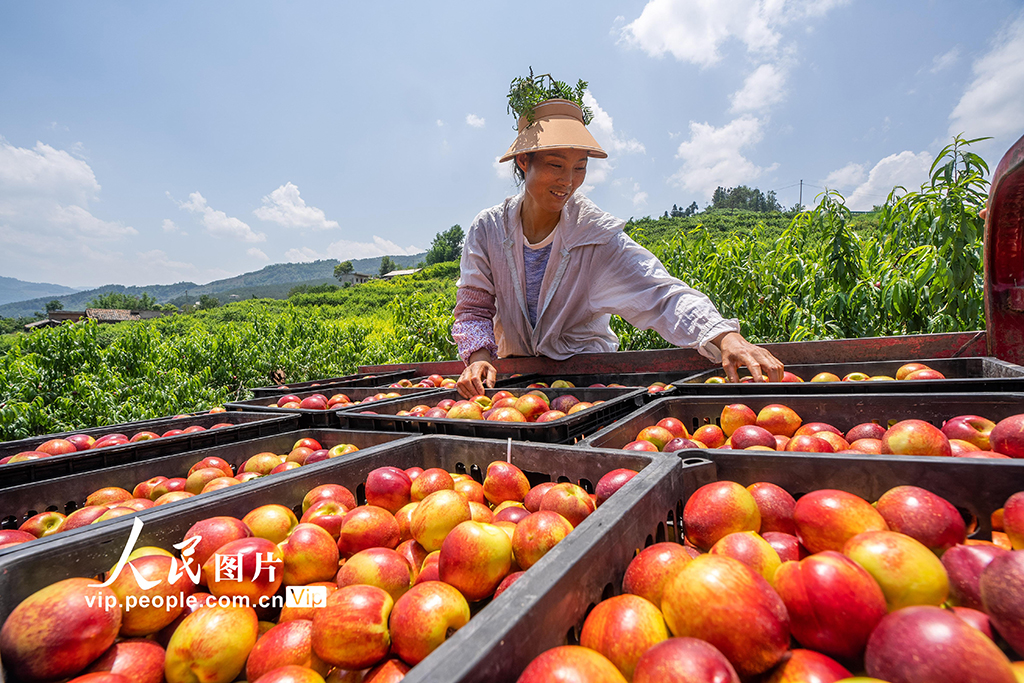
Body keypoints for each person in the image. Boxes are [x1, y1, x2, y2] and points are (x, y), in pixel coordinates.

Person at [452, 97, 783, 398]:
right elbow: (474, 308)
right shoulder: (489, 230)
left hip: (587, 385)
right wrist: (479, 359)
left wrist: (724, 336)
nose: (568, 181)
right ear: (524, 161)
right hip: (516, 383)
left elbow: (660, 294)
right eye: (556, 165)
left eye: (580, 167)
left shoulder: (595, 236)